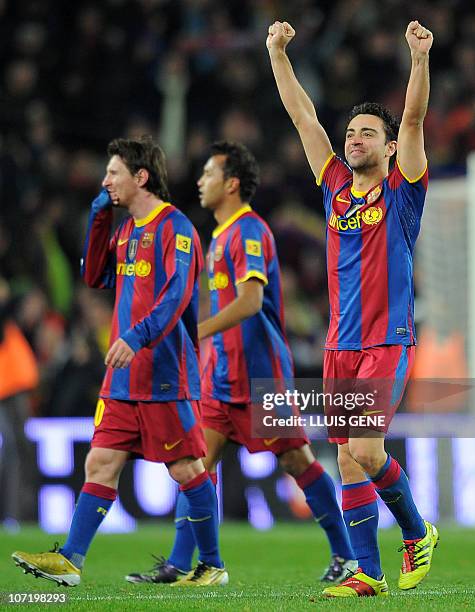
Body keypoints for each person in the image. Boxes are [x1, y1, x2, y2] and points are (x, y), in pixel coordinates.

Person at [126, 140, 357, 586]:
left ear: (231, 184)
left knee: (295, 460)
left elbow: (251, 301)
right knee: (196, 462)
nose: (200, 181)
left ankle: (347, 556)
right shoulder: (219, 236)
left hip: (259, 374)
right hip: (223, 375)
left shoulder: (249, 230)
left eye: (209, 174)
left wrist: (198, 332)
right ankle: (182, 564)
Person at [267, 21, 438, 598]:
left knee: (366, 450)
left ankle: (417, 531)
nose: (353, 139)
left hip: (387, 339)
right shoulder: (335, 184)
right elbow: (302, 117)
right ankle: (367, 572)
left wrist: (418, 60)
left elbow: (412, 119)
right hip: (341, 343)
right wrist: (277, 54)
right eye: (351, 132)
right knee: (346, 457)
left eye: (366, 132)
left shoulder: (403, 191)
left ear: (389, 147)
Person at [11, 136, 227, 587]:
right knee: (100, 464)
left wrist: (135, 335)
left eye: (113, 173)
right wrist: (98, 216)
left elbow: (175, 297)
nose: (105, 180)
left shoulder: (176, 227)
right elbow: (93, 276)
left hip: (163, 373)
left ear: (140, 177)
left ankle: (211, 563)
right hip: (123, 376)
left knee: (188, 470)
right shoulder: (127, 229)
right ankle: (70, 559)